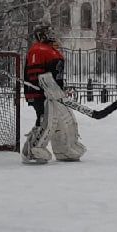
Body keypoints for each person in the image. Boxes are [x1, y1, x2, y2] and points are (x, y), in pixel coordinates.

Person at [22, 25, 85, 164]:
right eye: (47, 33)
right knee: (46, 120)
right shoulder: (38, 49)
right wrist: (43, 89)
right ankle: (32, 150)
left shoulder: (51, 50)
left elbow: (56, 75)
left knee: (63, 121)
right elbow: (36, 74)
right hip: (41, 94)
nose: (51, 34)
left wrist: (60, 90)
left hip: (54, 94)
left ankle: (64, 149)